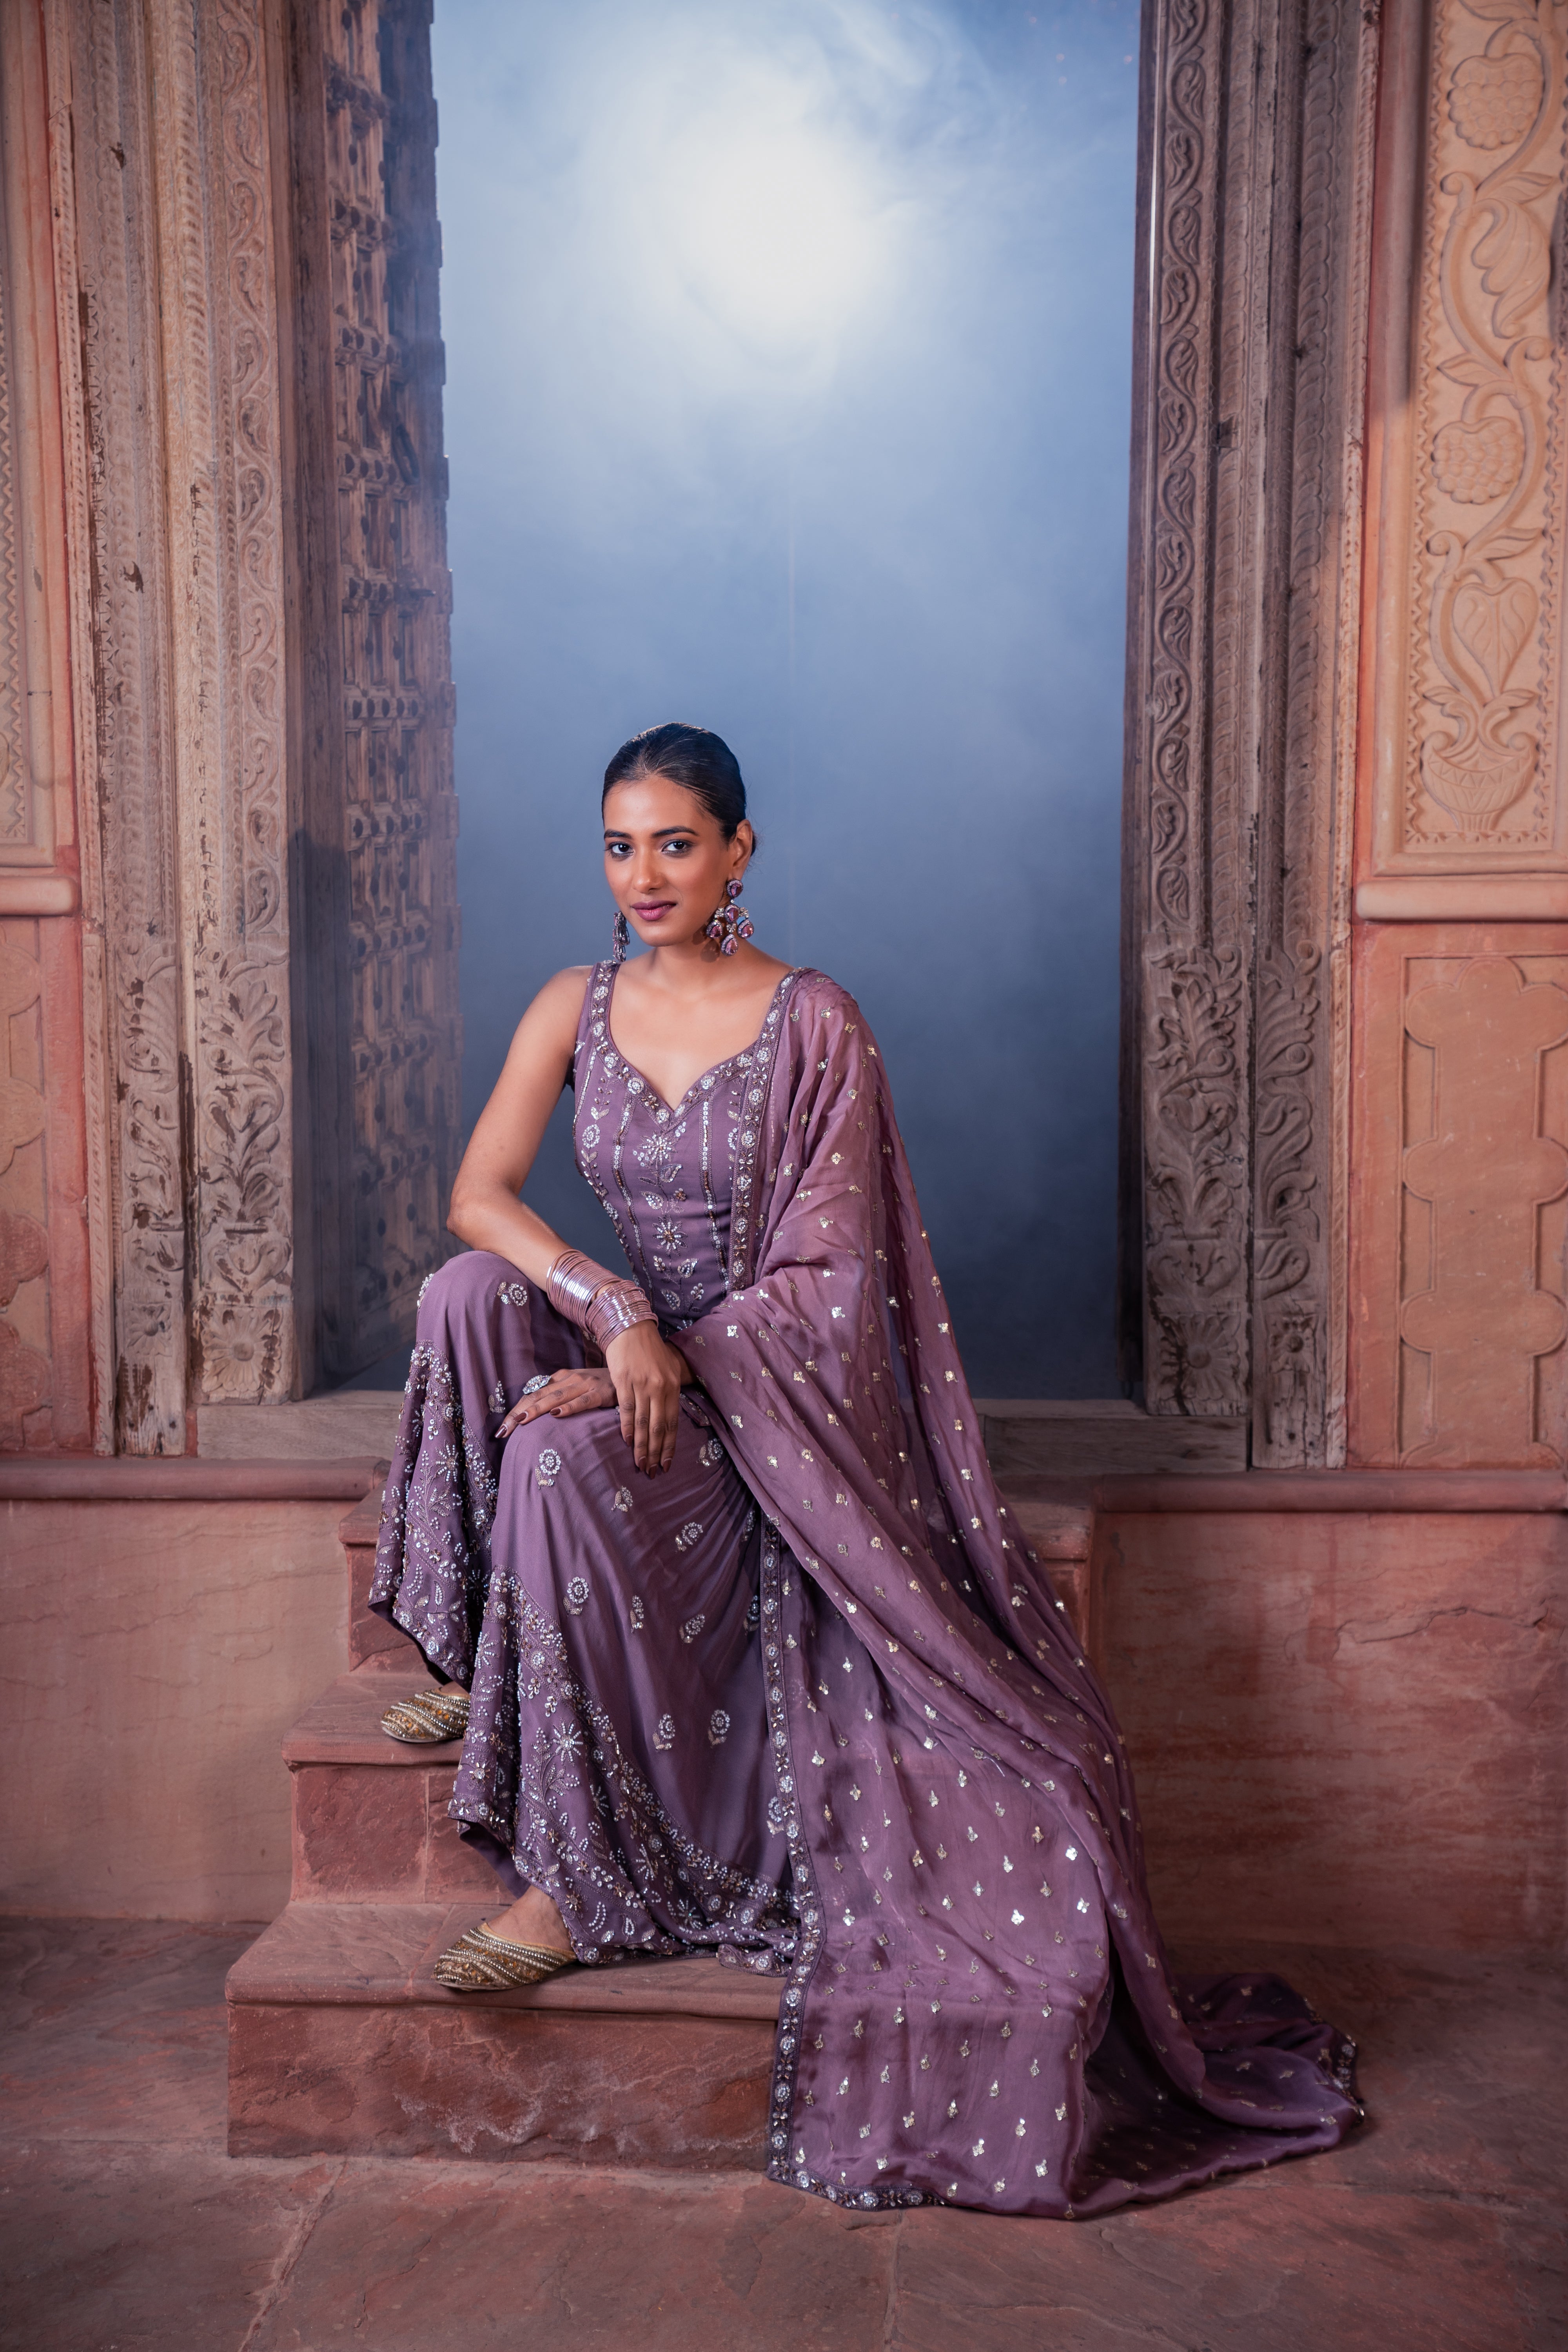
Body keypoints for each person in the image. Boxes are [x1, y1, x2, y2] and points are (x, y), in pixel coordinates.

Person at [370, 720, 1359, 2217]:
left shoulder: (814, 1020)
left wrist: (672, 1354)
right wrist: (615, 1312)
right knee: (463, 1296)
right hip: (642, 1344)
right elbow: (477, 1196)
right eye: (621, 847)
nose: (646, 876)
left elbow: (833, 1284)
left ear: (739, 851)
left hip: (765, 1393)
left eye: (677, 843)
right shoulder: (576, 1003)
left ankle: (579, 1884)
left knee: (564, 1465)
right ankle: (479, 1652)